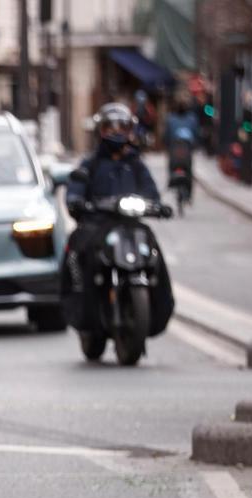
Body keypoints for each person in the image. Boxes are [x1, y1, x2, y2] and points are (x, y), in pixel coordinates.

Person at [62, 101, 171, 334]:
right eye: (110, 127)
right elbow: (76, 187)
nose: (116, 132)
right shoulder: (90, 164)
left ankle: (158, 306)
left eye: (122, 127)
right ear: (101, 131)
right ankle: (86, 309)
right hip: (99, 224)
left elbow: (151, 191)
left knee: (155, 254)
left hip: (130, 224)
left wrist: (158, 206)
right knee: (84, 251)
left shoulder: (135, 164)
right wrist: (77, 201)